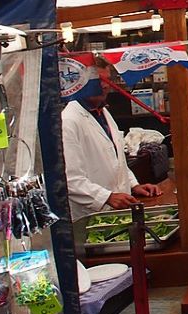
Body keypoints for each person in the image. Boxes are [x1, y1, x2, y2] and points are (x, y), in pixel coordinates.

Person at [62, 76, 161, 219]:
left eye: (107, 79)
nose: (105, 85)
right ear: (79, 82)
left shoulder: (103, 113)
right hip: (91, 217)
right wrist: (107, 197)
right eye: (98, 80)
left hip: (117, 213)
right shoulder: (68, 121)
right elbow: (70, 179)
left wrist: (133, 185)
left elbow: (116, 160)